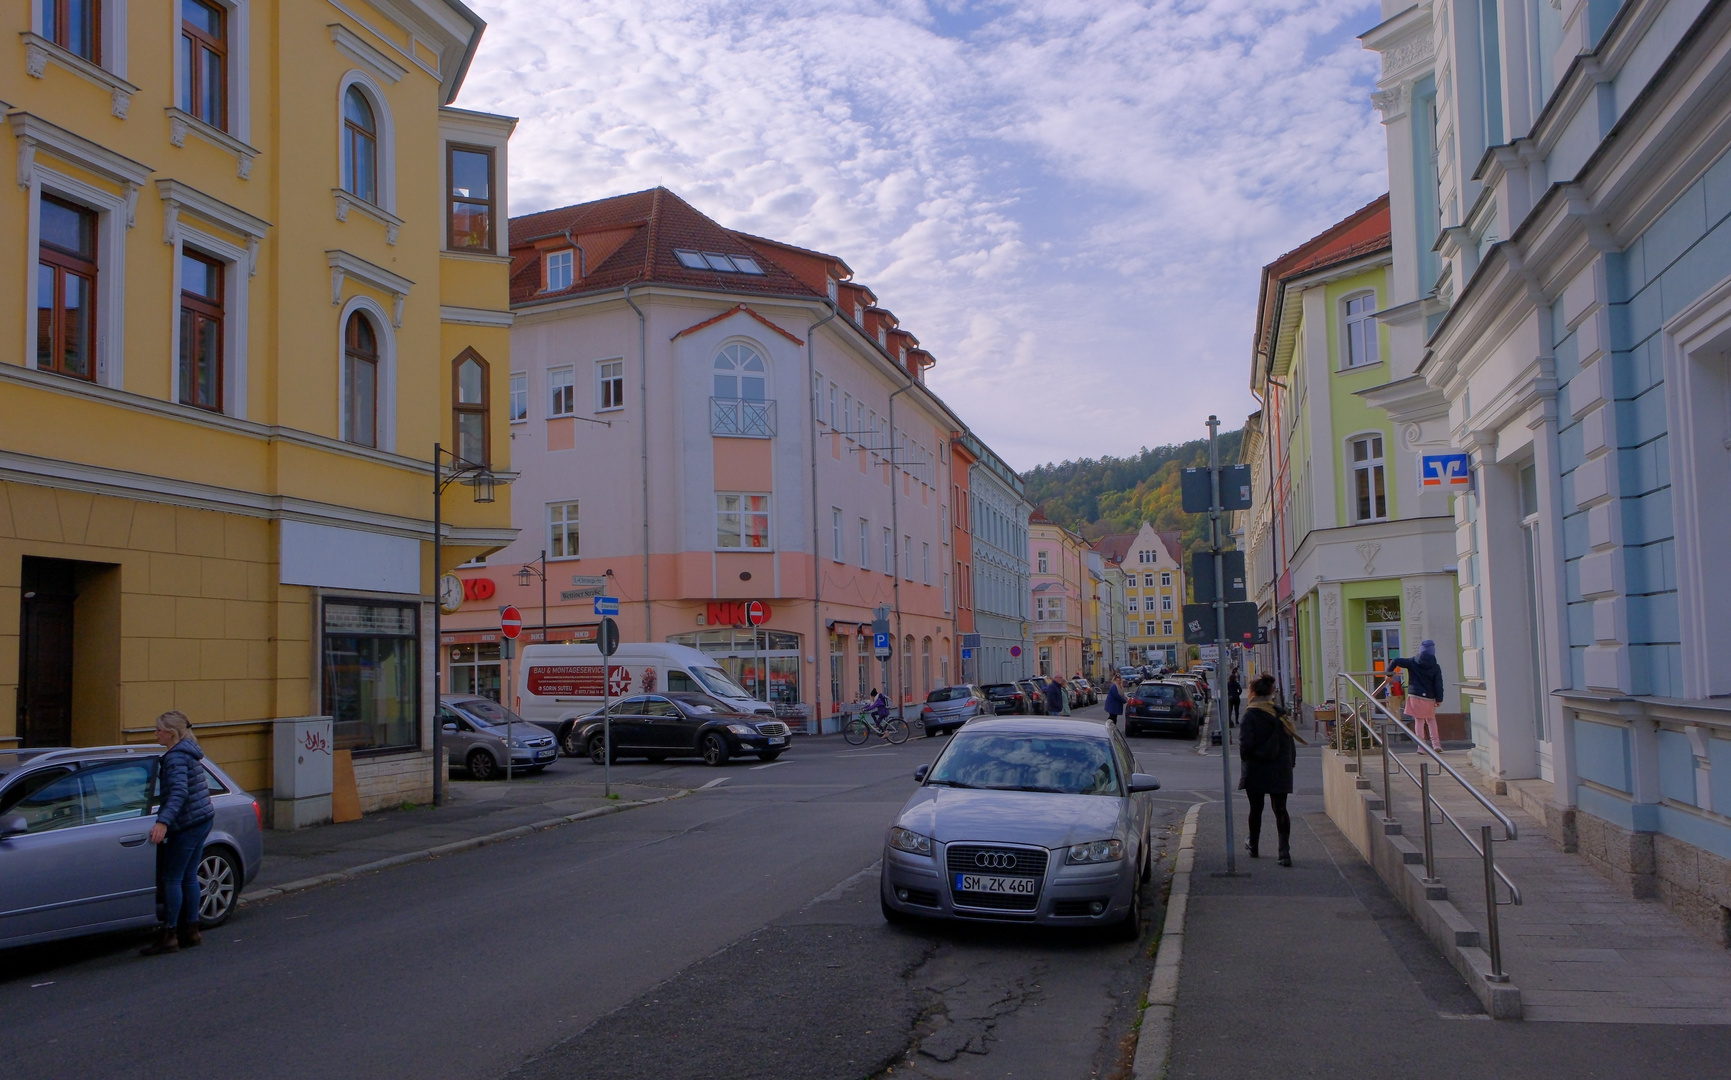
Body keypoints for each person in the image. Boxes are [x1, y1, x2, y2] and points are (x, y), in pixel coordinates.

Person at [142, 710, 216, 955]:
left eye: (159, 730)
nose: (155, 734)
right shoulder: (188, 751)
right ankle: (191, 931)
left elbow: (179, 793)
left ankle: (170, 934)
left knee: (173, 878)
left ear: (171, 733)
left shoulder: (174, 758)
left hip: (187, 822)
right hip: (202, 817)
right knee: (189, 876)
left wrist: (163, 822)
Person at [1240, 673, 1301, 867]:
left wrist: (1248, 759)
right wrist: (1290, 762)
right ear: (1271, 692)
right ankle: (1284, 853)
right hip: (1280, 767)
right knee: (1280, 809)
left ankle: (1254, 845)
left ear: (1252, 692)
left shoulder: (1250, 714)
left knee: (1256, 808)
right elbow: (1290, 741)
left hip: (1256, 767)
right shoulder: (1279, 713)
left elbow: (1245, 746)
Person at [1389, 641, 1445, 750]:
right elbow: (1438, 684)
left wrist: (1388, 673)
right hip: (1429, 697)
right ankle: (1436, 744)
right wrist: (1439, 698)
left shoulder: (1412, 662)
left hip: (1415, 695)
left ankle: (1421, 746)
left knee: (1419, 721)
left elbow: (1395, 661)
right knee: (1431, 720)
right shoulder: (1435, 667)